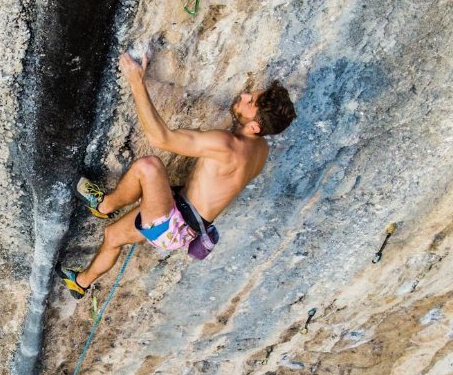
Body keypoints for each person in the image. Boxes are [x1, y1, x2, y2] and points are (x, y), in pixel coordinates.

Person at [59, 51, 296, 299]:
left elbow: (160, 138)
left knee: (149, 166)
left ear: (255, 127)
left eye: (250, 102)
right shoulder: (261, 149)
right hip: (184, 226)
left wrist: (136, 82)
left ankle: (105, 205)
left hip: (174, 222)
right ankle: (80, 283)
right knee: (113, 236)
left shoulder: (227, 145)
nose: (244, 95)